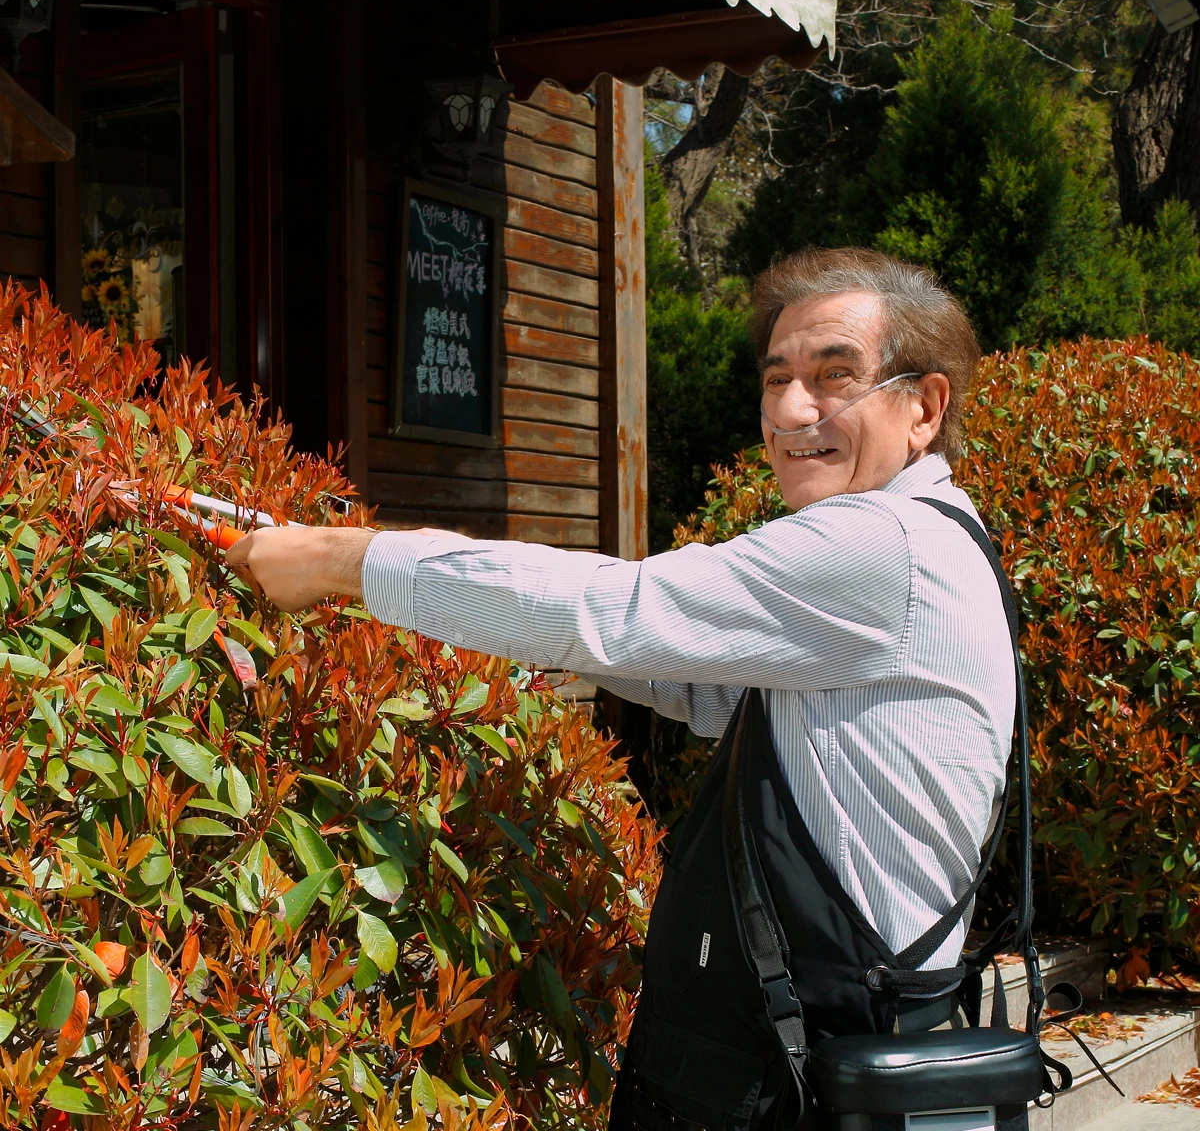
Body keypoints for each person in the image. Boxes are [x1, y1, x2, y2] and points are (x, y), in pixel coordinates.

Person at [226, 247, 1013, 1131]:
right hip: (813, 1052)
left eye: (836, 376)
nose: (794, 411)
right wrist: (523, 629)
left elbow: (616, 607)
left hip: (816, 1072)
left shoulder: (885, 546)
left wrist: (338, 560)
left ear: (925, 407)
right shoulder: (933, 541)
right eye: (777, 379)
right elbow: (703, 683)